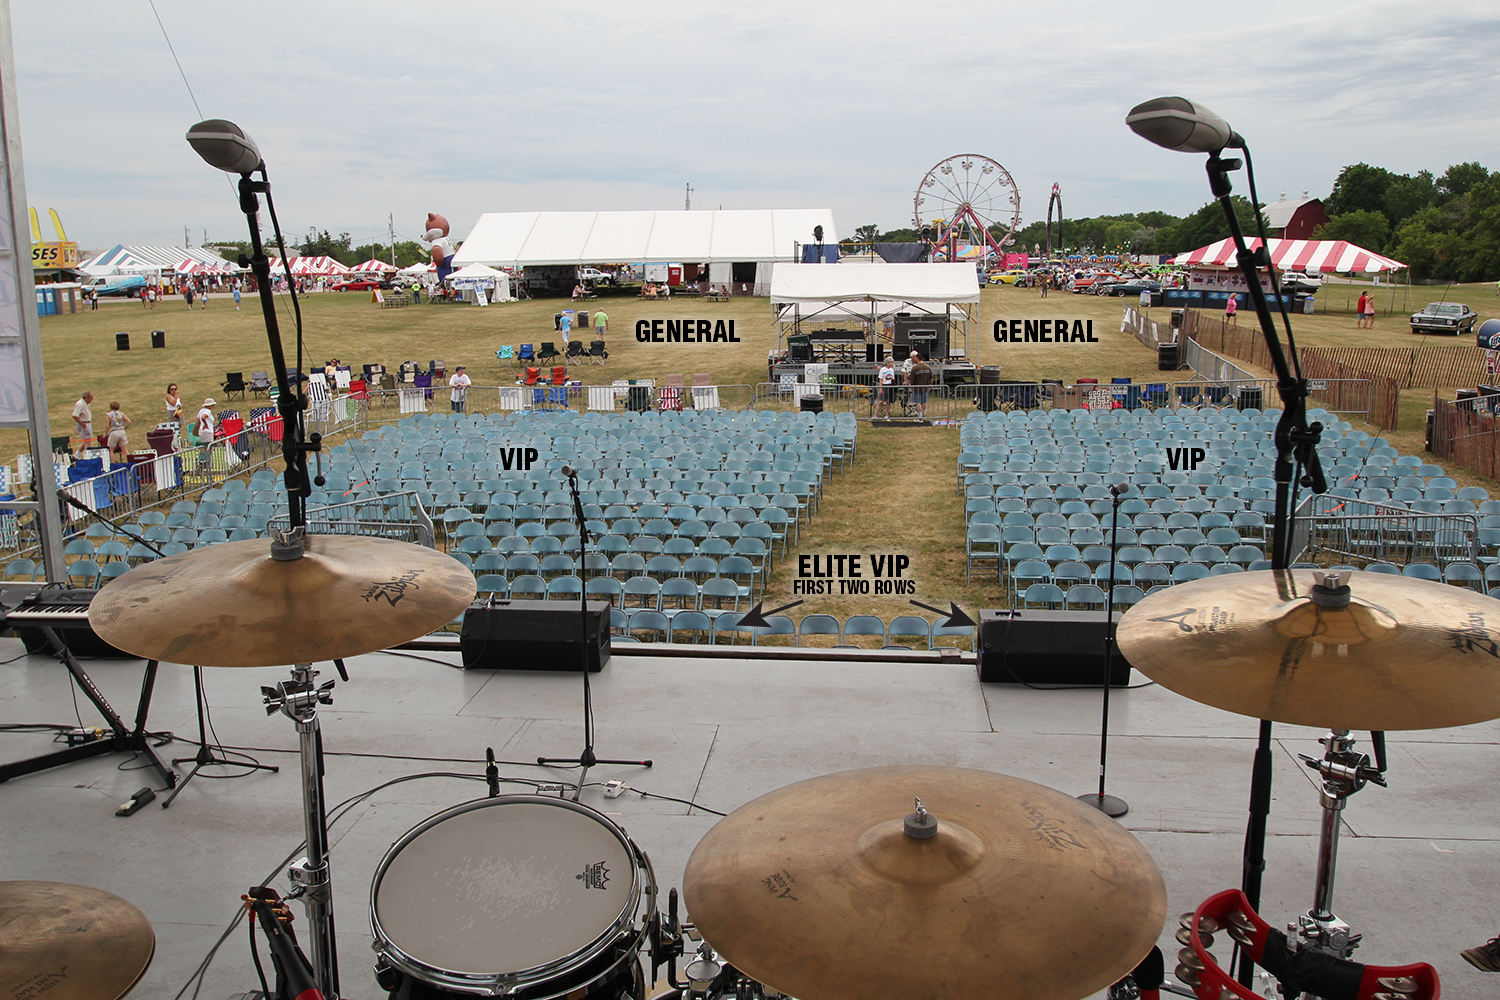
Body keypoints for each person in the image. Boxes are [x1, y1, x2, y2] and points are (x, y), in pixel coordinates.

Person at [906, 351, 933, 419]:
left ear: (917, 358)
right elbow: (931, 377)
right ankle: (923, 416)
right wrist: (931, 385)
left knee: (918, 402)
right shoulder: (927, 367)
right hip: (926, 387)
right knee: (924, 402)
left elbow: (911, 379)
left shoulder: (915, 368)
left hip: (917, 388)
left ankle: (920, 417)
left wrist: (911, 384)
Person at [71, 391, 94, 458]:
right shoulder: (80, 404)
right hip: (84, 423)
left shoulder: (86, 404)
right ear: (86, 398)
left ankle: (75, 456)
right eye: (91, 398)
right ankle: (88, 457)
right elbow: (75, 416)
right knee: (87, 442)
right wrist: (83, 424)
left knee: (87, 440)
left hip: (87, 423)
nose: (92, 400)